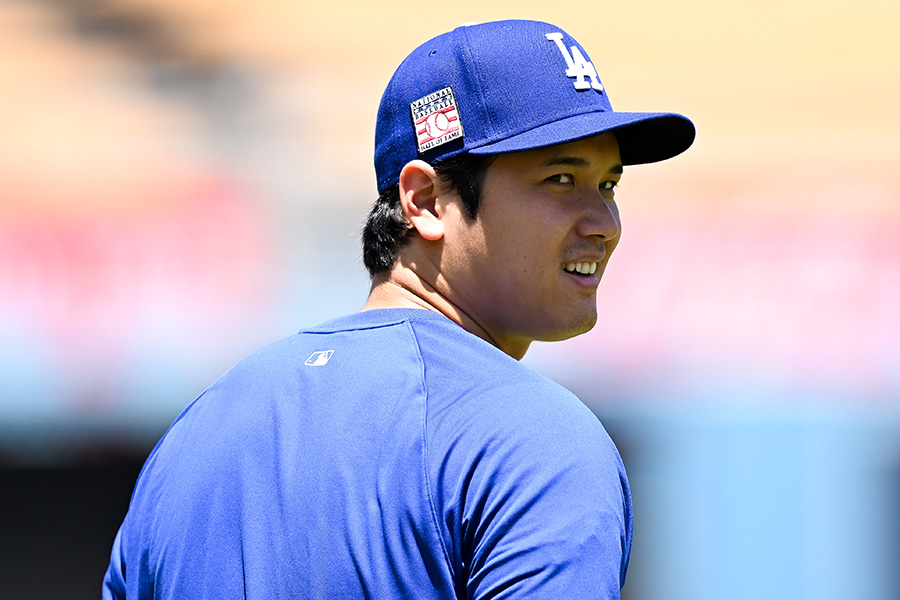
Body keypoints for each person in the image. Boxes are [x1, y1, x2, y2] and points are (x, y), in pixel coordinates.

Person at [103, 19, 694, 599]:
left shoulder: (195, 433)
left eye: (609, 185)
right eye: (561, 178)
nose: (604, 225)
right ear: (427, 200)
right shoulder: (535, 441)